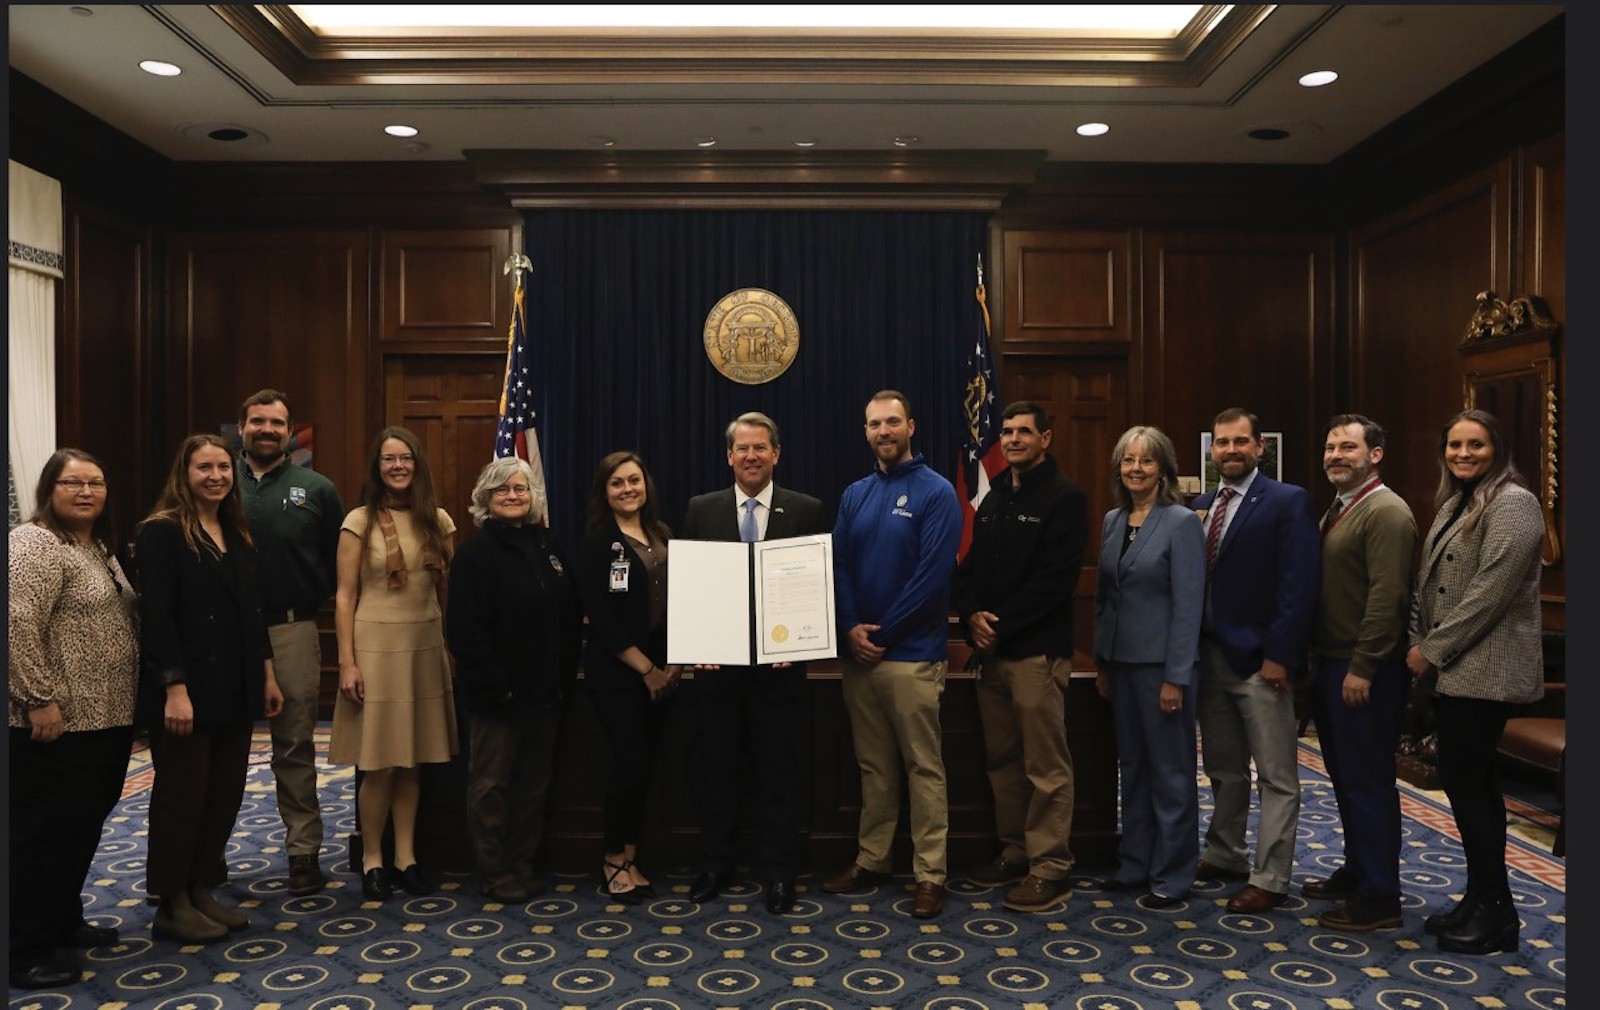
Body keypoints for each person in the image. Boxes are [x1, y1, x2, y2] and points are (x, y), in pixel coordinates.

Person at [1407, 408, 1544, 955]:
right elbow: (1431, 584)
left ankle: (1497, 913)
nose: (1464, 454)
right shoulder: (1455, 503)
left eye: (1476, 446)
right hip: (1455, 671)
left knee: (1471, 791)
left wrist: (1430, 652)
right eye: (1455, 445)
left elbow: (1490, 593)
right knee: (1471, 790)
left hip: (1486, 670)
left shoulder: (1515, 504)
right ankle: (1481, 899)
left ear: (1498, 450)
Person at [137, 433, 283, 942]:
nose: (216, 476)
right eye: (205, 468)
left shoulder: (234, 530)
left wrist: (265, 675)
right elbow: (158, 617)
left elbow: (253, 614)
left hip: (235, 687)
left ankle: (201, 888)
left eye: (223, 467)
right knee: (183, 796)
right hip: (187, 692)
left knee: (224, 794)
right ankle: (171, 901)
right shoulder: (161, 533)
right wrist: (173, 687)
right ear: (185, 473)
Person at [822, 390, 962, 919]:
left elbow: (933, 577)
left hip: (912, 656)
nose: (884, 431)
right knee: (874, 767)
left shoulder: (937, 492)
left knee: (923, 767)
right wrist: (851, 627)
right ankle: (872, 860)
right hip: (860, 656)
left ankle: (930, 874)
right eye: (874, 424)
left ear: (911, 426)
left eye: (892, 422)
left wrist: (883, 633)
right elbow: (837, 566)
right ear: (865, 432)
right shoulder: (855, 493)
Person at [680, 412, 827, 914]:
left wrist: (799, 647)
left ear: (776, 454)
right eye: (742, 449)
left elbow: (815, 590)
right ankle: (715, 864)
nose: (751, 457)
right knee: (716, 770)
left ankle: (781, 873)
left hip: (780, 676)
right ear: (728, 456)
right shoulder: (703, 510)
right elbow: (693, 588)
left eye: (760, 448)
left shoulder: (805, 510)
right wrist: (699, 642)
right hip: (717, 674)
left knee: (780, 775)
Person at [8, 450, 140, 989]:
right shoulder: (32, 544)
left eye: (96, 482)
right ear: (49, 488)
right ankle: (22, 951)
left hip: (104, 717)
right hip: (53, 723)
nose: (86, 491)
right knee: (42, 836)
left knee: (78, 828)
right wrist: (38, 697)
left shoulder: (96, 547)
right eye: (73, 483)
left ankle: (61, 922)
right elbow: (15, 622)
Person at [953, 401, 1087, 913]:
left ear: (1045, 438)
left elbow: (1055, 582)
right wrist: (970, 617)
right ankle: (1015, 851)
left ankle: (1050, 866)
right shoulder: (993, 499)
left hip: (1035, 654)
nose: (1012, 440)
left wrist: (998, 624)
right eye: (1006, 432)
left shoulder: (1065, 497)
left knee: (1045, 767)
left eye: (1024, 432)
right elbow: (969, 571)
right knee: (1003, 761)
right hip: (993, 655)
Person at [1191, 407, 1320, 913]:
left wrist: (1281, 656)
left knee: (1276, 775)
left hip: (1262, 662)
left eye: (1239, 441)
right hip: (1210, 656)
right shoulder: (1202, 504)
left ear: (1259, 446)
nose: (1230, 450)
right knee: (1223, 767)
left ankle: (1270, 876)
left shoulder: (1288, 502)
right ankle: (1225, 853)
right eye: (1221, 443)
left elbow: (1299, 585)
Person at [330, 426, 460, 901]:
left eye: (405, 458)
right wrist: (347, 662)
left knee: (412, 761)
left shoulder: (438, 521)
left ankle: (406, 857)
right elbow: (344, 597)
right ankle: (372, 859)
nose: (398, 466)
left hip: (424, 644)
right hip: (374, 645)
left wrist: (449, 647)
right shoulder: (357, 522)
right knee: (380, 762)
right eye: (389, 459)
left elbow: (447, 593)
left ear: (418, 464)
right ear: (377, 467)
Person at [446, 456, 582, 903]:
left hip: (545, 695)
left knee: (532, 786)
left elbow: (566, 614)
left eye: (520, 489)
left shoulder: (548, 545)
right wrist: (497, 687)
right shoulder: (475, 554)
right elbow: (464, 633)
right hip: (497, 699)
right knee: (490, 788)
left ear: (533, 496)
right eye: (502, 489)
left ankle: (523, 863)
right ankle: (495, 869)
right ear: (486, 497)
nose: (512, 496)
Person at [1301, 415, 1417, 931]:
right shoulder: (1340, 508)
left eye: (1348, 447)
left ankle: (1380, 897)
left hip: (1362, 667)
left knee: (1368, 781)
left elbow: (1387, 597)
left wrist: (1364, 667)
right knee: (1346, 779)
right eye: (1330, 447)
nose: (1336, 455)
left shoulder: (1387, 512)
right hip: (1332, 663)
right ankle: (1359, 869)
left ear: (1376, 454)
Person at [1091, 425, 1206, 909]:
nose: (1135, 468)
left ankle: (1174, 873)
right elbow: (1104, 598)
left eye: (1146, 460)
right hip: (1120, 663)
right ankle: (1135, 863)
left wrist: (1176, 676)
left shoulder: (1181, 522)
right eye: (1128, 460)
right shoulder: (1114, 520)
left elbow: (1188, 605)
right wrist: (1101, 661)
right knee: (1132, 768)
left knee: (1171, 773)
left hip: (1163, 669)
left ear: (1164, 469)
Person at [235, 389, 344, 896]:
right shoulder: (215, 480)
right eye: (257, 421)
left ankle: (303, 853)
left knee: (294, 746)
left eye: (277, 423)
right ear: (242, 427)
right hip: (224, 634)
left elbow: (334, 563)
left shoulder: (317, 489)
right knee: (219, 748)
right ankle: (202, 856)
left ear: (290, 431)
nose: (267, 430)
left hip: (292, 629)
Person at [576, 451, 683, 904]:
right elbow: (602, 619)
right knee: (628, 765)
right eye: (617, 483)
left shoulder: (663, 535)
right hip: (619, 674)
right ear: (605, 492)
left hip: (665, 671)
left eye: (634, 481)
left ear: (646, 485)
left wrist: (674, 663)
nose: (627, 490)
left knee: (646, 769)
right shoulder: (596, 544)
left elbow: (685, 598)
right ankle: (613, 858)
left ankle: (632, 856)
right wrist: (647, 669)